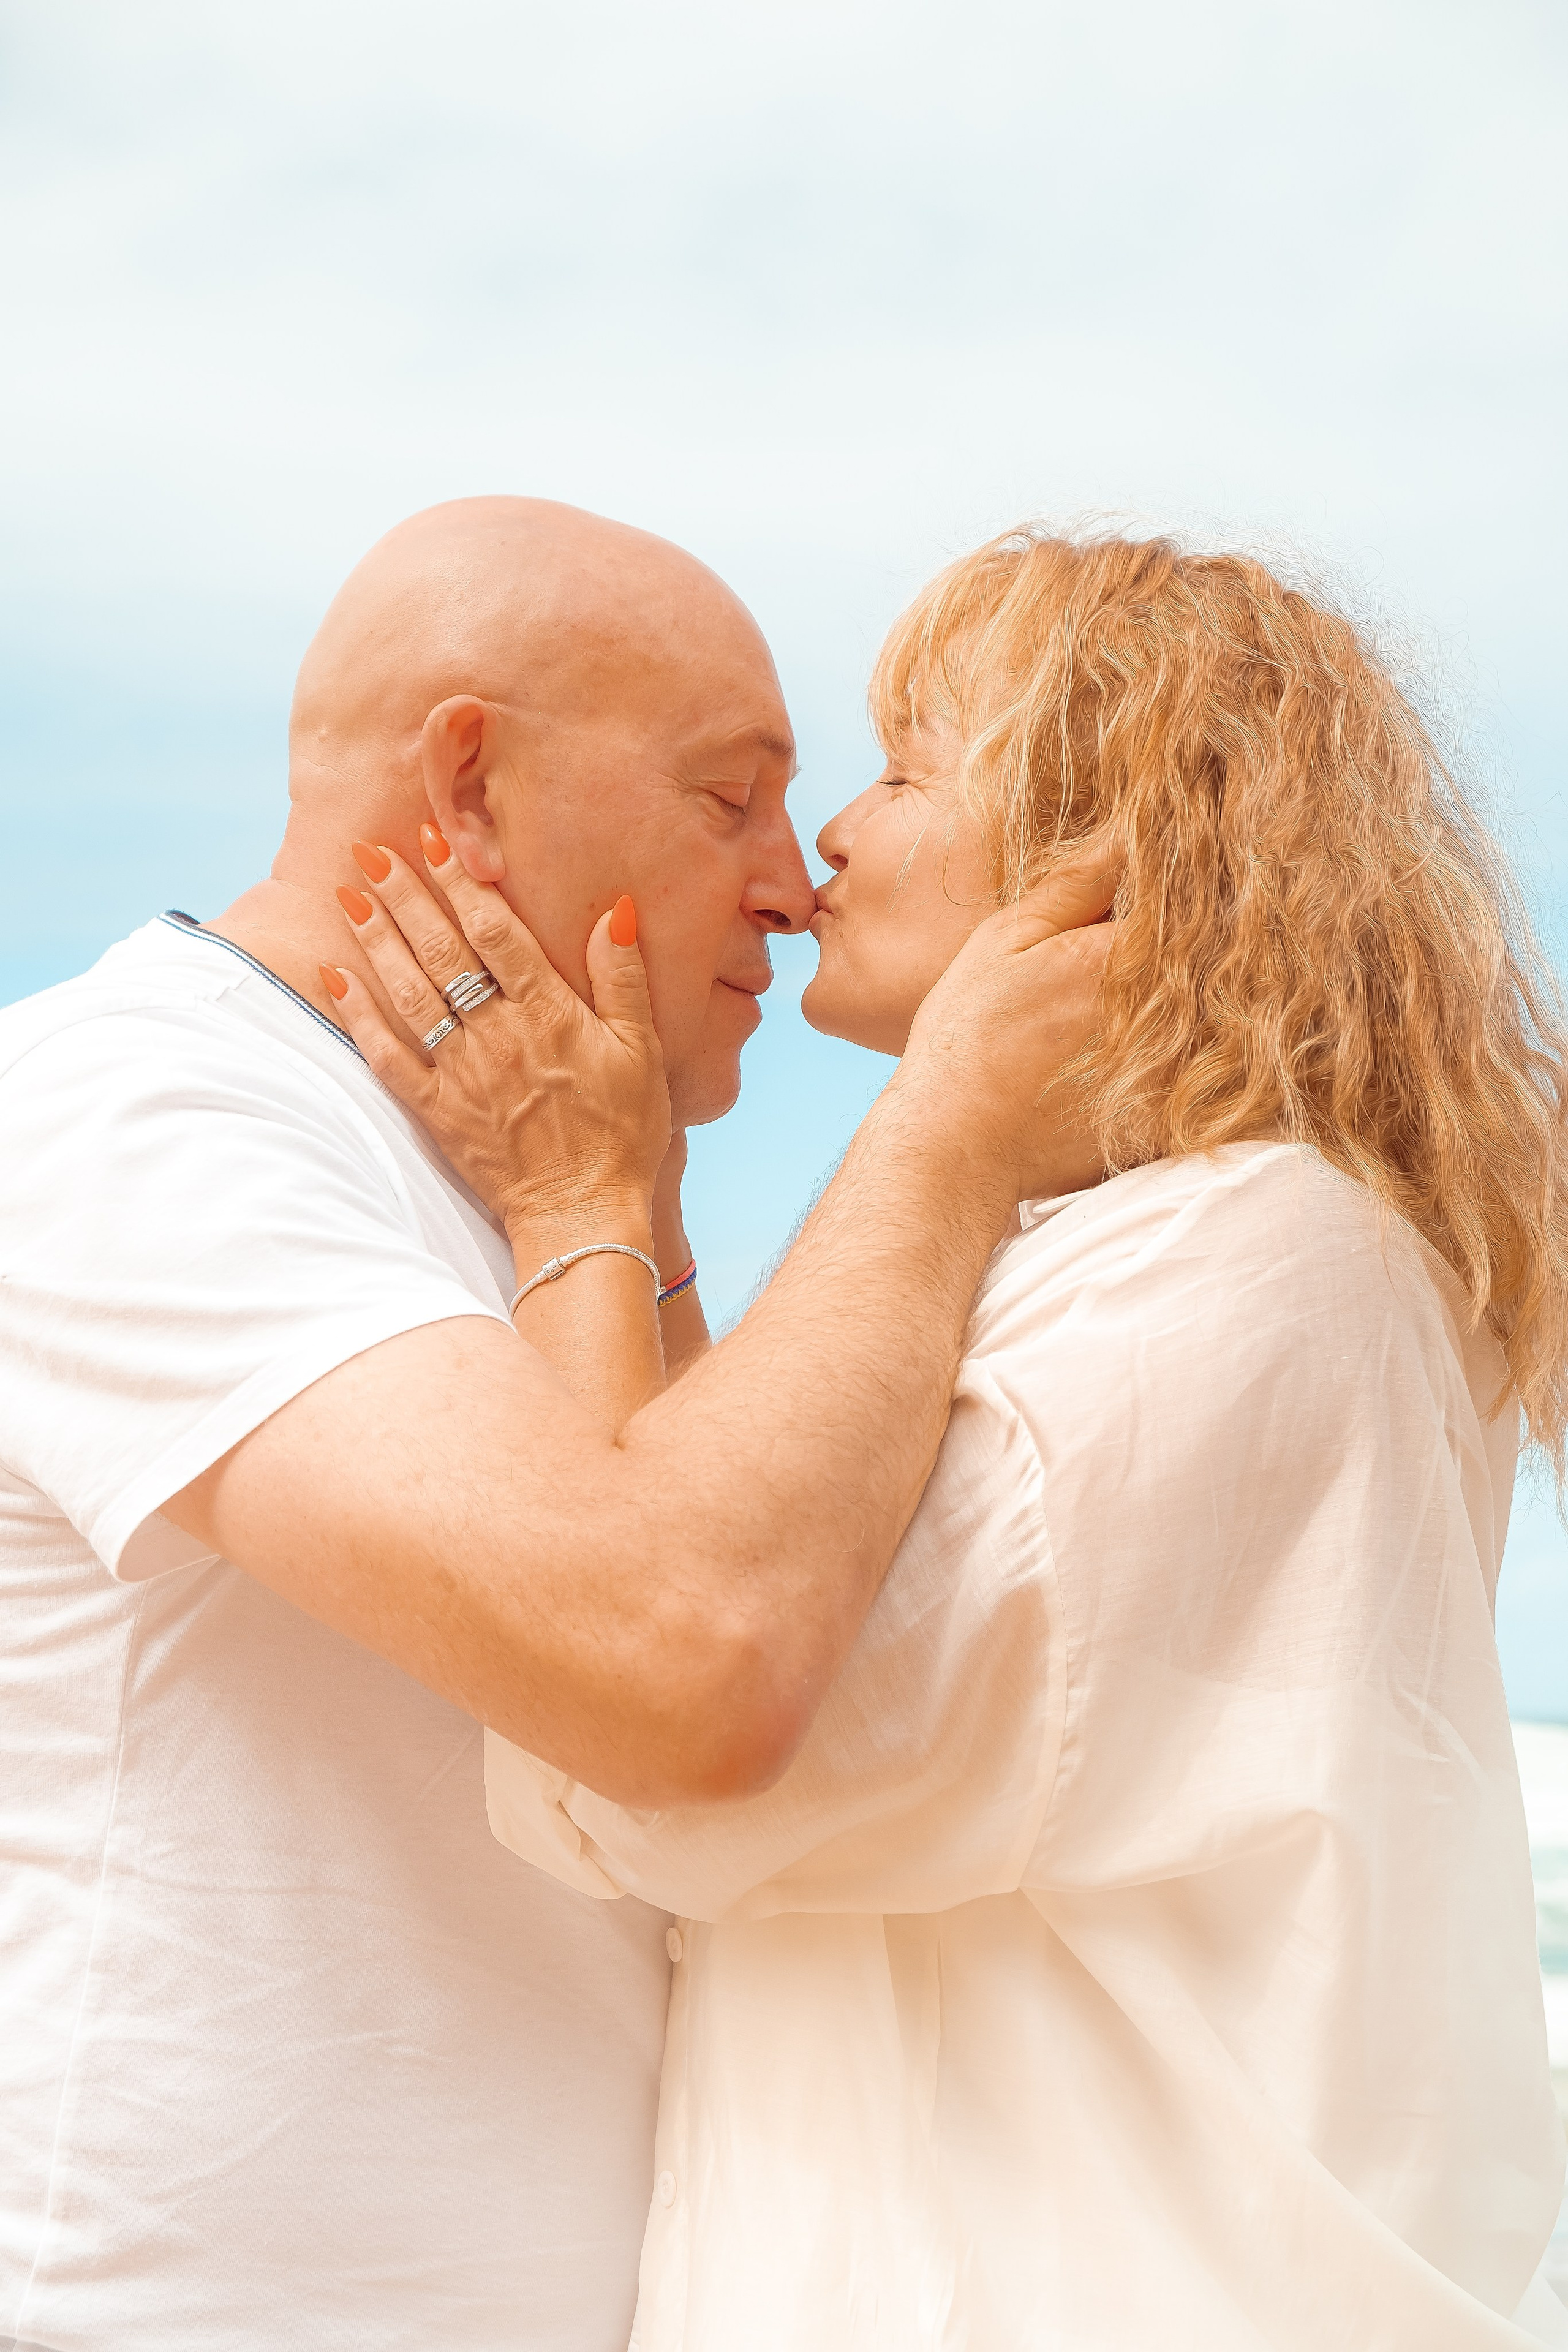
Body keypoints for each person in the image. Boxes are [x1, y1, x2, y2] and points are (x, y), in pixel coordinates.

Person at [347, 529, 1568, 2348]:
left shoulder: (1257, 1259)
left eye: (911, 769)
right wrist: (661, 1213)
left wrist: (578, 1201)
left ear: (1113, 865)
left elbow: (664, 1735)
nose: (828, 837)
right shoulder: (1106, 1260)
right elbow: (720, 1517)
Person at [0, 498, 1112, 2352]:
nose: (791, 878)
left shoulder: (517, 1192)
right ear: (466, 780)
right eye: (726, 797)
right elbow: (678, 1660)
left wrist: (615, 1207)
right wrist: (953, 1126)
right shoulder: (133, 1116)